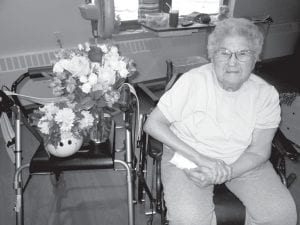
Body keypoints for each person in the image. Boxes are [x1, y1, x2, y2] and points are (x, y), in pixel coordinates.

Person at [143, 18, 297, 225]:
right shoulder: (192, 82)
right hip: (188, 158)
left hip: (241, 160)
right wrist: (201, 159)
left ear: (256, 58)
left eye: (243, 53)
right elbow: (152, 124)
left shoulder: (266, 95)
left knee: (281, 214)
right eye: (224, 52)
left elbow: (259, 151)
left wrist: (226, 172)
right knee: (190, 219)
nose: (232, 61)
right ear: (212, 56)